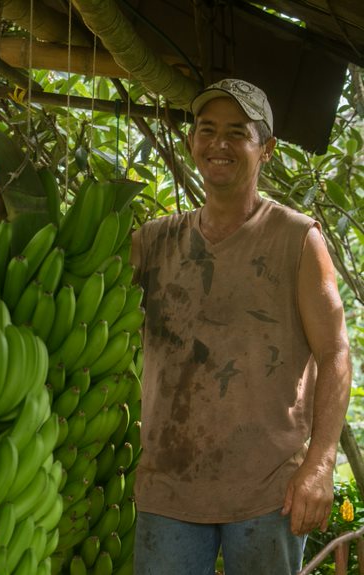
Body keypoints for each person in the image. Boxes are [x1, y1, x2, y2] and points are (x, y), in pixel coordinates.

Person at [130, 78, 352, 574]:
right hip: (168, 489)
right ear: (191, 143)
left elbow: (336, 352)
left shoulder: (297, 240)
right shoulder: (153, 241)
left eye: (238, 133)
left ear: (266, 149)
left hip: (267, 493)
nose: (219, 144)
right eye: (207, 130)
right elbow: (72, 281)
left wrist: (320, 464)